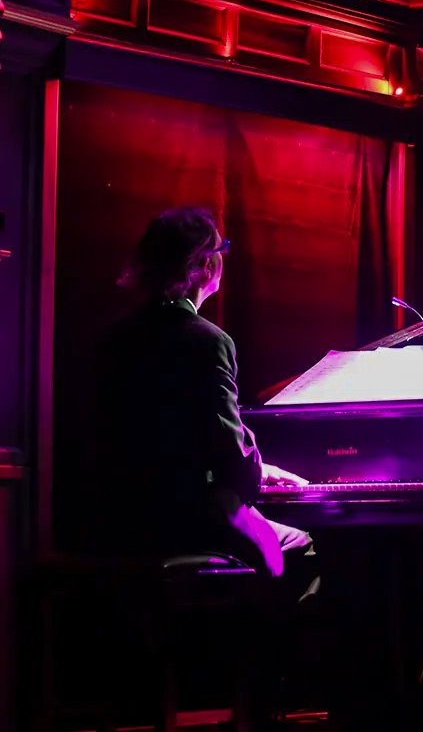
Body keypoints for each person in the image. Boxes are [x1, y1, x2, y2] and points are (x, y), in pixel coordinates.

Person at [97, 207, 313, 576]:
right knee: (300, 546)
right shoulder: (208, 341)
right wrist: (255, 472)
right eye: (220, 251)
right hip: (192, 519)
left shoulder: (116, 337)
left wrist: (258, 471)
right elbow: (229, 452)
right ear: (205, 266)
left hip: (120, 516)